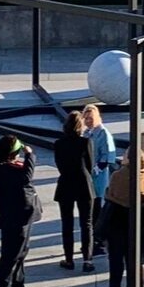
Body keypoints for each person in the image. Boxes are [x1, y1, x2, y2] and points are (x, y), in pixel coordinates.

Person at [0, 135, 40, 287]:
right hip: (14, 218)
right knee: (10, 257)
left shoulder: (5, 167)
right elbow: (26, 177)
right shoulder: (2, 170)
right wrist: (30, 155)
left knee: (21, 254)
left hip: (21, 217)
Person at [102, 135, 144, 287]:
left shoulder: (118, 175)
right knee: (133, 273)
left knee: (115, 273)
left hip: (116, 226)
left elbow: (110, 195)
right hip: (135, 227)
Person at [47, 109, 95, 272]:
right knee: (86, 223)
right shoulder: (85, 142)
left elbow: (59, 165)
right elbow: (90, 164)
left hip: (66, 183)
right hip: (83, 183)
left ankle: (69, 259)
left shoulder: (59, 144)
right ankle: (87, 259)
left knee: (67, 223)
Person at [82, 103, 118, 257]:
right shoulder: (86, 134)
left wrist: (95, 169)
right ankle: (91, 241)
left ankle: (99, 242)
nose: (88, 121)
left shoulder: (103, 133)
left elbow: (108, 156)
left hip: (98, 179)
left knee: (98, 211)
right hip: (88, 178)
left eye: (91, 118)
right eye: (86, 118)